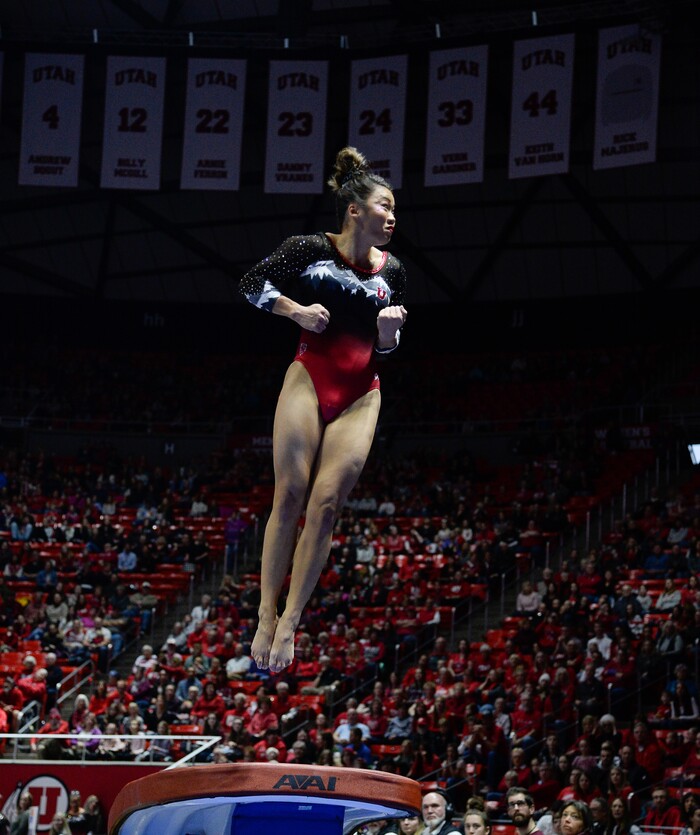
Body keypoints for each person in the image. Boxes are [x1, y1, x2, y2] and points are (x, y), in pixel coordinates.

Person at [240, 145, 407, 673]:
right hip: (309, 376)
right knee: (289, 494)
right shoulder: (307, 248)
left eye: (396, 210)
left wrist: (388, 337)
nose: (393, 216)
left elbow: (385, 348)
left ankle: (290, 621)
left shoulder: (394, 271)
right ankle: (266, 614)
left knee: (327, 504)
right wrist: (295, 310)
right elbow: (250, 285)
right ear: (355, 208)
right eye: (385, 206)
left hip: (362, 392)